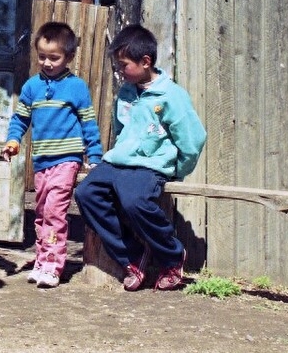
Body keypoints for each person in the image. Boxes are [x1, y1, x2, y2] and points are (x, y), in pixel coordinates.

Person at [73, 24, 206, 292]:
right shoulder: (126, 92)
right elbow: (121, 131)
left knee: (134, 201)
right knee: (86, 193)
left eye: (124, 66)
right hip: (119, 161)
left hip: (150, 166)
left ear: (145, 62)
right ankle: (132, 257)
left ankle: (171, 256)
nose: (120, 72)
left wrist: (176, 170)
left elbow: (193, 140)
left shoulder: (171, 96)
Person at [2, 21, 102, 288]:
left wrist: (95, 156)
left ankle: (54, 265)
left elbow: (89, 124)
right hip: (41, 161)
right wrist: (13, 140)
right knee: (41, 212)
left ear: (69, 57)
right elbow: (20, 119)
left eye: (54, 58)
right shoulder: (31, 87)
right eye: (42, 56)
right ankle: (41, 260)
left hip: (66, 159)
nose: (47, 63)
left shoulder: (76, 87)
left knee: (55, 213)